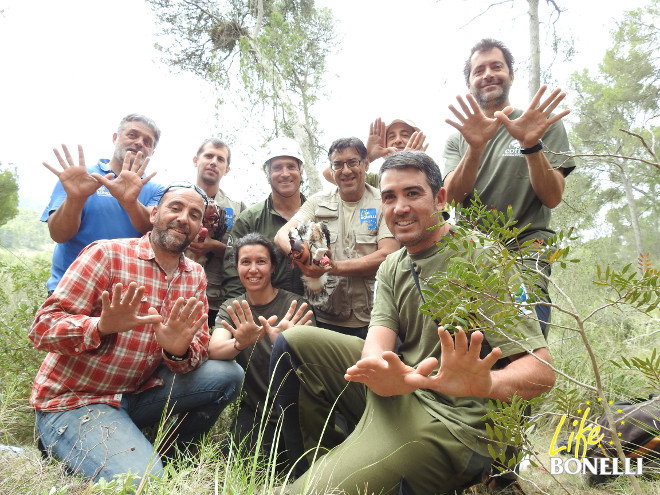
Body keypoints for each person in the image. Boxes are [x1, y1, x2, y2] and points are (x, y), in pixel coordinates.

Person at [270, 151, 555, 494]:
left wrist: (483, 385)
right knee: (295, 343)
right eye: (389, 197)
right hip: (408, 391)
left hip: (460, 426)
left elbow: (542, 373)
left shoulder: (484, 257)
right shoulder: (394, 264)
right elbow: (377, 344)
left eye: (413, 193)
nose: (399, 208)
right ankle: (323, 463)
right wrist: (383, 371)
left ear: (440, 198)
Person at [30, 182, 244, 485]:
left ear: (200, 230)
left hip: (137, 392)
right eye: (175, 208)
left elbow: (195, 348)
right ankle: (66, 442)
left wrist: (177, 351)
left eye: (195, 215)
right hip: (78, 399)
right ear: (154, 214)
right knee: (142, 483)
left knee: (227, 374)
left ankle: (171, 460)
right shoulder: (107, 254)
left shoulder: (194, 275)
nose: (184, 218)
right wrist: (100, 326)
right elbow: (42, 328)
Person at [443, 38, 576, 334]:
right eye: (479, 71)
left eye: (496, 66)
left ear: (511, 75)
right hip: (473, 249)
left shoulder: (542, 124)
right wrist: (475, 147)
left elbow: (552, 197)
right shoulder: (457, 139)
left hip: (528, 245)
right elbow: (450, 199)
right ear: (470, 84)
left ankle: (528, 373)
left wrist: (530, 144)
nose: (488, 74)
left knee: (525, 322)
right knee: (471, 334)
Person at [274, 137, 399, 338]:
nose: (346, 170)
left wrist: (336, 267)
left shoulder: (383, 202)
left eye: (353, 162)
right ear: (331, 170)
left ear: (366, 164)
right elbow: (282, 235)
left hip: (376, 318)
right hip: (325, 316)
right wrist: (302, 259)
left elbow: (388, 254)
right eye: (338, 164)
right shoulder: (317, 202)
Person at [209, 233, 315, 470]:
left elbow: (314, 366)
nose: (253, 269)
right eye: (245, 262)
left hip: (298, 411)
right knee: (239, 466)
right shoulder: (232, 308)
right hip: (257, 411)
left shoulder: (295, 305)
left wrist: (290, 343)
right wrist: (240, 343)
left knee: (304, 470)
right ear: (236, 267)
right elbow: (214, 350)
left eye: (261, 262)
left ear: (273, 267)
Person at [41, 114, 166, 293]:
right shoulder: (78, 176)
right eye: (132, 135)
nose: (139, 142)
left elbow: (152, 232)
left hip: (121, 297)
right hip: (69, 288)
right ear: (115, 138)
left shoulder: (156, 190)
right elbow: (59, 235)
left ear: (152, 152)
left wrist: (130, 202)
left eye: (148, 141)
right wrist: (76, 198)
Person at [221, 137, 308, 302]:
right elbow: (233, 274)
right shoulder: (249, 219)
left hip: (313, 315)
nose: (285, 173)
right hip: (262, 315)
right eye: (277, 168)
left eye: (291, 166)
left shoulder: (317, 215)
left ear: (301, 171)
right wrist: (242, 316)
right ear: (268, 174)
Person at [185, 138, 246, 326]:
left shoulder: (237, 208)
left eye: (221, 159)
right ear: (196, 160)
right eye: (208, 156)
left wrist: (215, 247)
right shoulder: (174, 198)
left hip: (215, 298)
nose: (213, 162)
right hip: (174, 291)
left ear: (227, 169)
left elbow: (246, 252)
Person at [322, 118, 428, 187]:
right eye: (391, 137)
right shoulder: (376, 181)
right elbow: (328, 173)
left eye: (405, 135)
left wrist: (409, 163)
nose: (398, 140)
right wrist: (367, 156)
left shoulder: (429, 176)